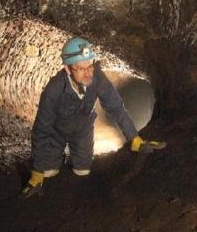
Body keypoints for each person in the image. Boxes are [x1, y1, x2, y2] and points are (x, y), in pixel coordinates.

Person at [21, 37, 166, 197]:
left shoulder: (96, 77)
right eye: (81, 68)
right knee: (48, 172)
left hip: (82, 129)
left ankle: (74, 156)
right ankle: (56, 155)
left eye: (90, 65)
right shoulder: (53, 90)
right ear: (68, 69)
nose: (88, 73)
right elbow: (42, 129)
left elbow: (116, 107)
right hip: (57, 132)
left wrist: (134, 139)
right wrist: (36, 174)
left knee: (82, 171)